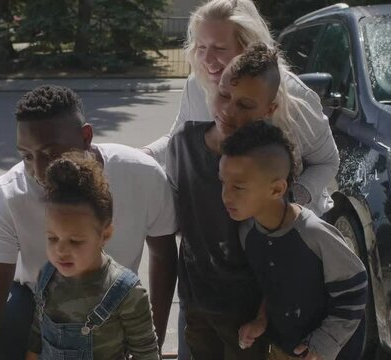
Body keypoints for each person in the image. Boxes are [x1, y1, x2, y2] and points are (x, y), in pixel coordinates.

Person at [0, 85, 177, 360]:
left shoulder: (142, 175)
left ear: (85, 136)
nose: (39, 171)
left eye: (51, 153)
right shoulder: (9, 193)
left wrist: (153, 344)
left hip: (114, 303)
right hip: (38, 300)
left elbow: (164, 254)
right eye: (27, 156)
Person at [144, 0, 339, 218]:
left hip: (286, 234)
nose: (207, 59)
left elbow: (327, 161)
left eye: (219, 48)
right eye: (201, 47)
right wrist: (143, 155)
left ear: (248, 46)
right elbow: (176, 138)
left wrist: (289, 201)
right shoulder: (196, 85)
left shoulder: (294, 96)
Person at [166, 43, 284, 360]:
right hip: (196, 303)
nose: (229, 111)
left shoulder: (273, 162)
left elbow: (282, 249)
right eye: (223, 95)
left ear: (269, 110)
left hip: (247, 314)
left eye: (246, 104)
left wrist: (263, 315)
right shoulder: (182, 145)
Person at [220, 120, 367, 360]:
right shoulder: (248, 232)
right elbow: (274, 285)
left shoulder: (314, 233)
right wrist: (261, 319)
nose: (225, 195)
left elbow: (355, 291)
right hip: (284, 349)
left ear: (277, 189)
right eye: (222, 182)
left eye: (238, 187)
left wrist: (323, 344)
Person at [25, 152, 159, 360]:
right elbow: (36, 336)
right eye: (52, 238)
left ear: (105, 234)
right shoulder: (47, 276)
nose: (61, 250)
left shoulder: (126, 292)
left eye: (75, 241)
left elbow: (146, 354)